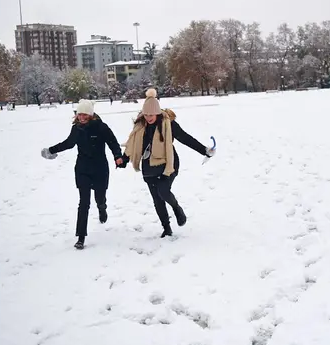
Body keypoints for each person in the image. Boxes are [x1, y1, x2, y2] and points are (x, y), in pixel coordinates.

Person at [120, 89, 214, 238]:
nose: (148, 117)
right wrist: (123, 159)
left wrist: (204, 150)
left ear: (157, 112)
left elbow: (185, 138)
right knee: (157, 200)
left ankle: (177, 208)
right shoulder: (140, 126)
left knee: (163, 191)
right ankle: (166, 229)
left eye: (151, 114)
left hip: (168, 165)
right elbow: (132, 144)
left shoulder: (168, 124)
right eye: (146, 114)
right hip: (149, 167)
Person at [41, 99, 124, 249]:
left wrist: (118, 156)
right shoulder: (77, 129)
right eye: (79, 114)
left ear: (91, 115)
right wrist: (51, 150)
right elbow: (68, 143)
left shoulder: (101, 127)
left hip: (100, 169)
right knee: (84, 203)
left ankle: (102, 207)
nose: (82, 117)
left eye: (85, 114)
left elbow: (113, 143)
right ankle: (80, 237)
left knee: (99, 197)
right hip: (83, 170)